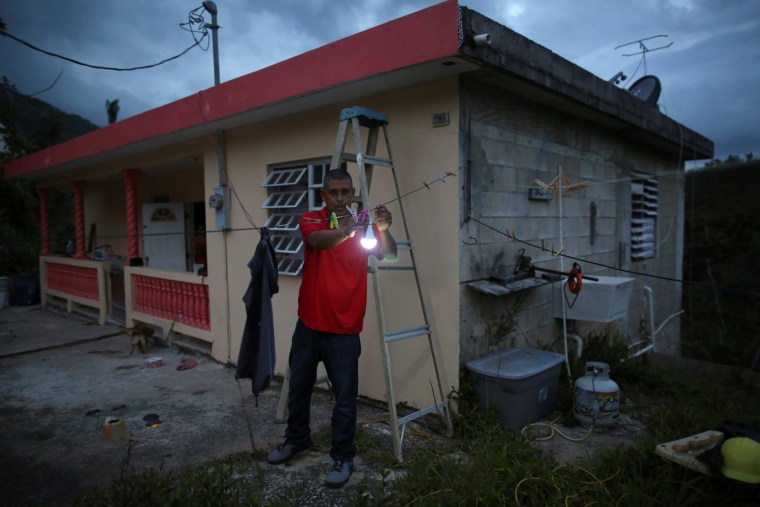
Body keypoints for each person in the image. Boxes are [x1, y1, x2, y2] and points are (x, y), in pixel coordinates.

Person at [267, 169, 397, 489]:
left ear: (353, 193)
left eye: (345, 192)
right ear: (323, 195)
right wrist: (350, 228)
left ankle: (343, 456)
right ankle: (297, 440)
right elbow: (318, 241)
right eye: (333, 192)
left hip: (345, 329)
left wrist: (382, 229)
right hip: (309, 324)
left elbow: (389, 253)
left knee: (345, 399)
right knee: (298, 388)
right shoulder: (311, 219)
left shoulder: (363, 223)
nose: (340, 198)